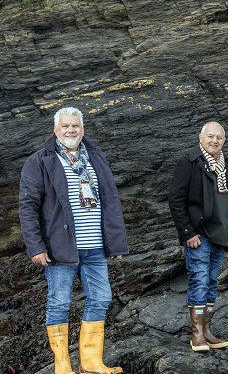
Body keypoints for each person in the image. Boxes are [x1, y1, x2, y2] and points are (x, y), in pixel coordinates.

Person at [19, 107, 128, 374]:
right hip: (60, 249)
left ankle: (90, 363)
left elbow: (111, 201)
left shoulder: (96, 158)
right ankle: (62, 366)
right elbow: (28, 206)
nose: (71, 130)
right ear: (56, 130)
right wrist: (36, 246)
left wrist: (115, 242)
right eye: (65, 126)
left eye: (75, 126)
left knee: (101, 298)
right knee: (59, 302)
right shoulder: (40, 161)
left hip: (95, 247)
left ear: (82, 129)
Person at [168, 121, 228, 351]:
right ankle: (197, 336)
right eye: (210, 136)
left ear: (224, 141)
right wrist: (188, 232)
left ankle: (207, 332)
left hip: (220, 236)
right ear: (200, 138)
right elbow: (175, 199)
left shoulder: (227, 165)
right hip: (199, 236)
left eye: (219, 137)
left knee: (212, 282)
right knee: (199, 280)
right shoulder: (189, 162)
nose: (215, 141)